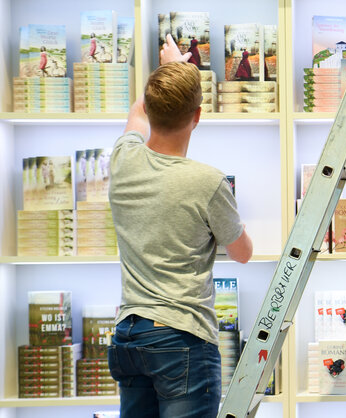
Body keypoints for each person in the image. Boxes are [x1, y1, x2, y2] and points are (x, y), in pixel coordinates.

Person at [107, 34, 253, 418]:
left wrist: (172, 69)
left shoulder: (123, 161)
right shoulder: (207, 182)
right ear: (198, 116)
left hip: (129, 337)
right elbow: (242, 253)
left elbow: (137, 113)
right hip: (180, 339)